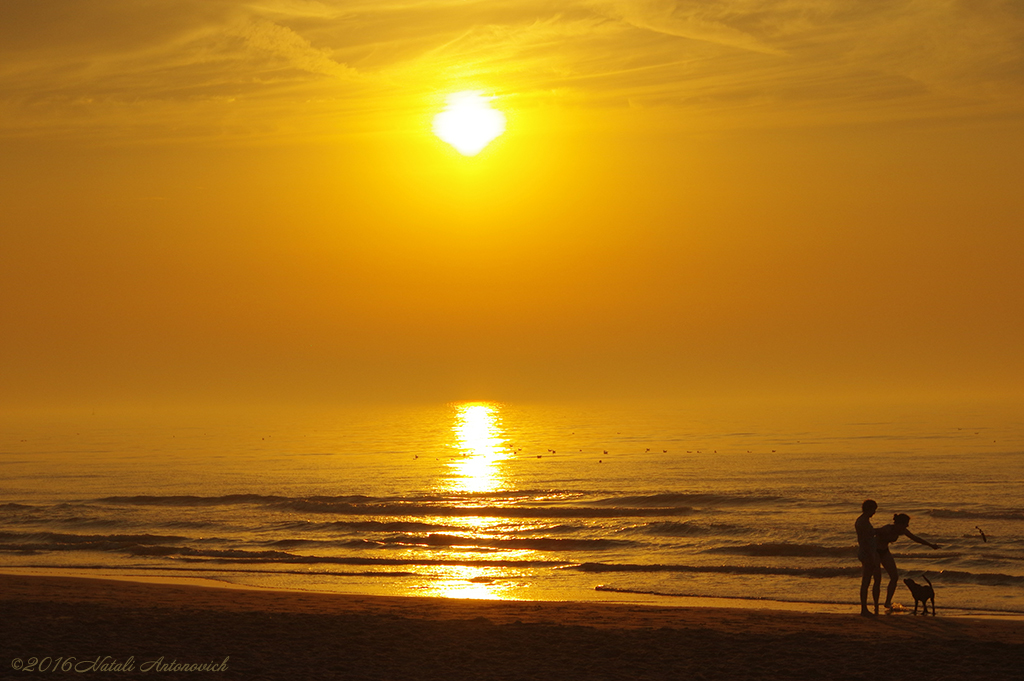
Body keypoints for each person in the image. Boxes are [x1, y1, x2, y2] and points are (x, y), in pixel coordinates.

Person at [875, 513, 940, 610]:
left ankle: (887, 602)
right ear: (899, 524)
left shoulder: (902, 531)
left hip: (885, 552)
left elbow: (916, 539)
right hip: (874, 552)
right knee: (877, 579)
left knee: (894, 577)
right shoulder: (887, 529)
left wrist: (930, 545)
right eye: (906, 524)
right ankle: (876, 605)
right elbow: (872, 533)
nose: (907, 526)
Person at [855, 499, 881, 615]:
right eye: (873, 510)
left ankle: (866, 607)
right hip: (867, 553)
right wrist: (872, 556)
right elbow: (866, 540)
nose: (874, 513)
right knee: (866, 581)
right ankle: (864, 609)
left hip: (866, 552)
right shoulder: (864, 522)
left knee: (869, 580)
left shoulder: (861, 520)